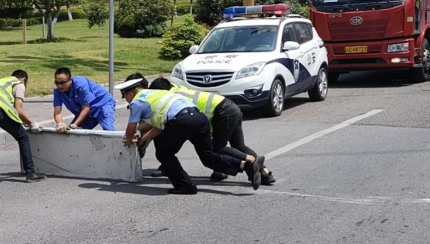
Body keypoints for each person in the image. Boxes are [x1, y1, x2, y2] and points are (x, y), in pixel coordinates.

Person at [117, 74, 264, 195]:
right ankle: (246, 165)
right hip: (199, 118)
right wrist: (143, 139)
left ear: (130, 93)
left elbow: (131, 127)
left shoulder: (138, 101)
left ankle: (185, 185)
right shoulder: (158, 93)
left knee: (164, 153)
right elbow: (159, 125)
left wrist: (130, 140)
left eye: (125, 97)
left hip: (182, 121)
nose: (127, 100)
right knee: (208, 156)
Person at [149, 76, 275, 186]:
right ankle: (265, 173)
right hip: (230, 106)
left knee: (217, 148)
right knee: (239, 146)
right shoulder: (177, 89)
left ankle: (253, 160)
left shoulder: (172, 98)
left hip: (222, 112)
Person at [0, 70, 47, 183]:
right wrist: (31, 123)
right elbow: (19, 109)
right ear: (23, 79)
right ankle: (30, 172)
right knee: (22, 137)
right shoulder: (19, 83)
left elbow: (10, 110)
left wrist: (19, 121)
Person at [53, 68, 116, 132]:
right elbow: (57, 111)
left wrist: (75, 125)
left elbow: (86, 108)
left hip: (102, 104)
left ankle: (116, 141)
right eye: (57, 83)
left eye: (62, 83)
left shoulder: (81, 85)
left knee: (108, 130)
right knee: (72, 135)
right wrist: (60, 123)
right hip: (85, 112)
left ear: (70, 80)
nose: (59, 86)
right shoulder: (57, 90)